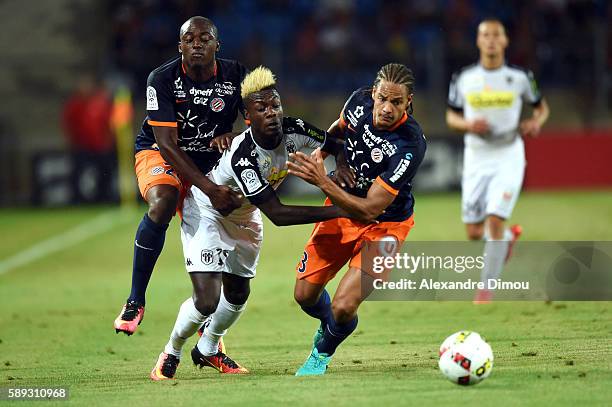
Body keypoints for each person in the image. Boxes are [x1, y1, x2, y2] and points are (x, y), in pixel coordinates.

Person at [150, 66, 359, 380]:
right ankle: (172, 350)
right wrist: (341, 211)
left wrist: (340, 164)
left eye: (275, 105)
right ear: (247, 117)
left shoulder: (295, 127)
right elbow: (278, 214)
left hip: (246, 216)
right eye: (262, 109)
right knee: (207, 300)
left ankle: (207, 349)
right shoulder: (244, 156)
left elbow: (335, 143)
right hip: (208, 213)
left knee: (237, 295)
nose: (272, 113)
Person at [286, 63, 427, 376]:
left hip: (387, 227)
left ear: (409, 102)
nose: (387, 108)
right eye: (382, 99)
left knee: (344, 306)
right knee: (304, 295)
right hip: (340, 213)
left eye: (397, 102)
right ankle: (332, 325)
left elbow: (370, 210)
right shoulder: (357, 102)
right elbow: (339, 132)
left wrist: (323, 181)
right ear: (373, 93)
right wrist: (324, 154)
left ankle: (321, 354)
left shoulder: (410, 145)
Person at [113, 16, 247, 335]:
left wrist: (234, 134)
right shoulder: (161, 79)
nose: (196, 44)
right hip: (162, 153)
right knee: (162, 202)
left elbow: (260, 119)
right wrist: (210, 189)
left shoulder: (237, 75)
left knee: (217, 236)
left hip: (211, 160)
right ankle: (135, 300)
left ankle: (207, 335)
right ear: (180, 46)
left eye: (204, 38)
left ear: (217, 45)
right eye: (189, 39)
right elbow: (166, 143)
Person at [445, 19, 550, 303]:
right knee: (473, 231)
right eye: (485, 35)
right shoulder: (464, 78)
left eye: (496, 35)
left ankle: (485, 290)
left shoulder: (520, 77)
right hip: (477, 156)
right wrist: (468, 124)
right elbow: (451, 116)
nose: (491, 40)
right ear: (478, 41)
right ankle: (504, 240)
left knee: (494, 218)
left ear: (505, 41)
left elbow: (541, 108)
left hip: (509, 154)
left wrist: (535, 122)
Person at [61, 74, 116, 203]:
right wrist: (71, 141)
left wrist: (109, 140)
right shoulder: (74, 104)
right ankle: (77, 199)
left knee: (104, 172)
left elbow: (109, 122)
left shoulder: (100, 103)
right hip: (81, 146)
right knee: (77, 173)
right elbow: (68, 124)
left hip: (101, 146)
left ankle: (103, 197)